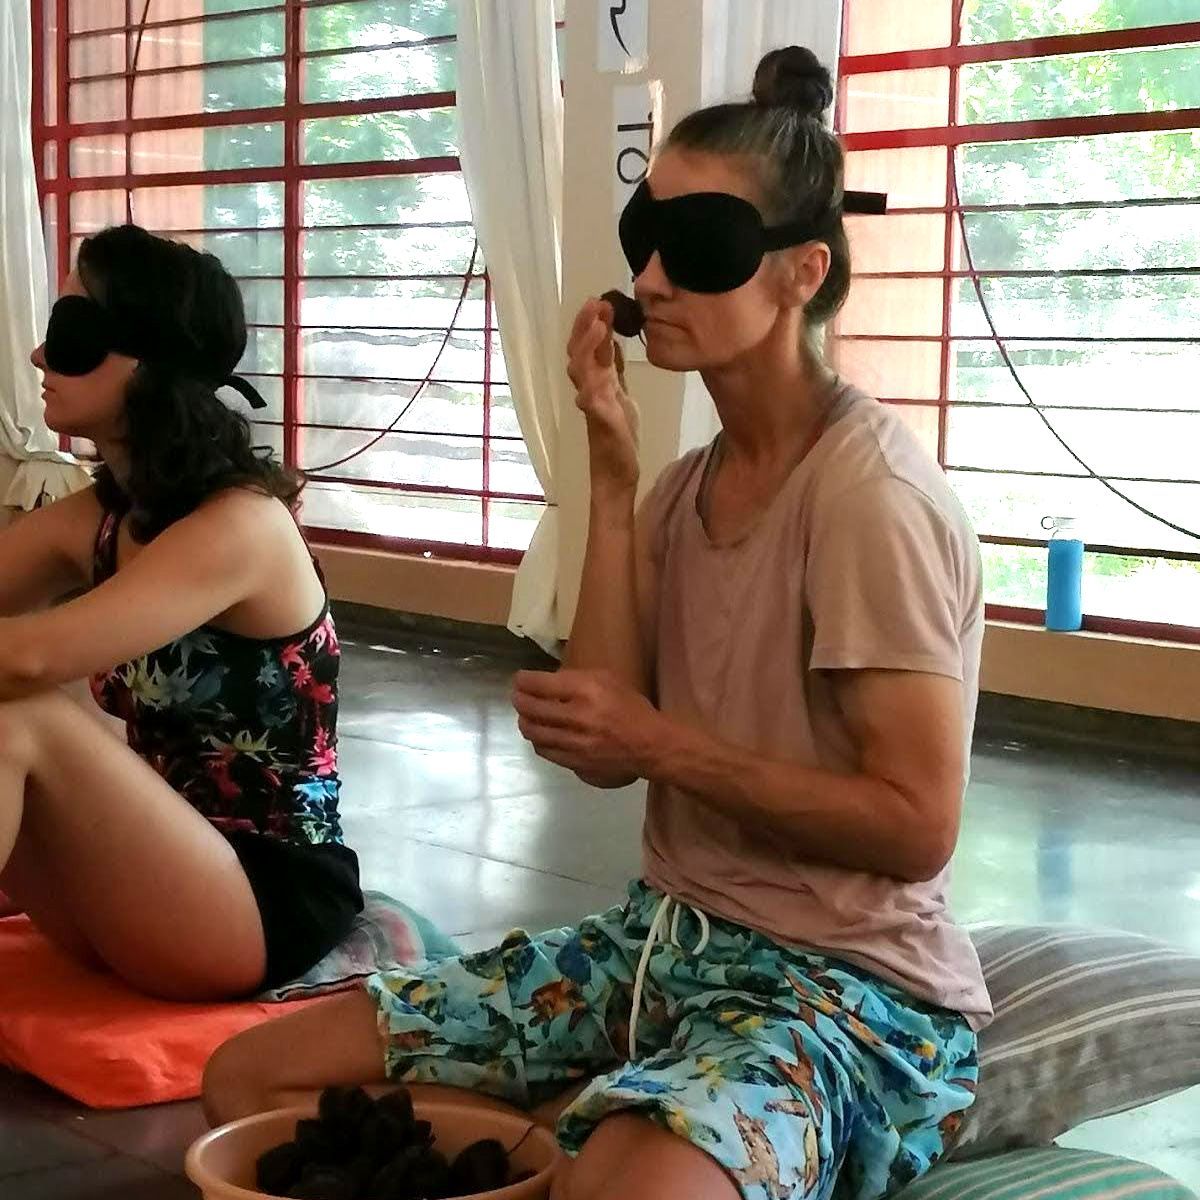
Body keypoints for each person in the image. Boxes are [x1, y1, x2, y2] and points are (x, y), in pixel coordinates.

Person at [202, 46, 989, 1200]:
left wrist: (662, 744)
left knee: (621, 1192)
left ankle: (594, 1137)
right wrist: (612, 475)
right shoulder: (679, 491)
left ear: (800, 271)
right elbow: (607, 748)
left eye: (701, 248)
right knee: (252, 1081)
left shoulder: (870, 500)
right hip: (663, 947)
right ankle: (572, 1130)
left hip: (849, 990)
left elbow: (916, 824)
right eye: (646, 239)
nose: (655, 280)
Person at [0, 224, 361, 1001]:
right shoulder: (101, 517)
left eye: (70, 334)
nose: (38, 357)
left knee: (17, 711)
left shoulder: (240, 525)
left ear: (144, 361)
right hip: (150, 889)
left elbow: (28, 658)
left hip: (262, 903)